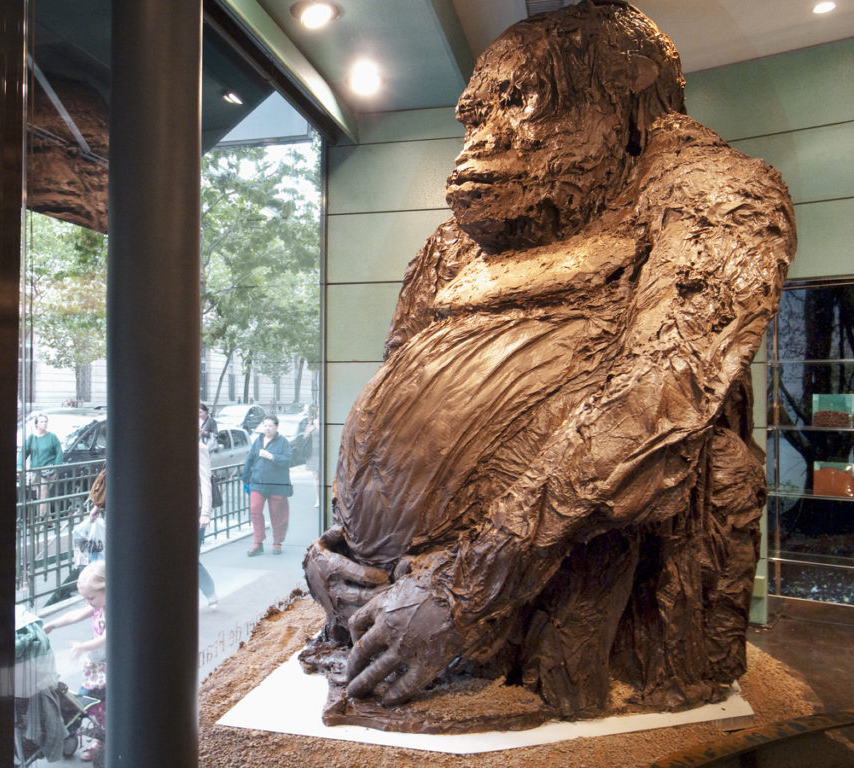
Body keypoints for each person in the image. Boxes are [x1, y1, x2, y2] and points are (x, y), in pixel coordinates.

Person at [303, 0, 796, 719]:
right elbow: (398, 396)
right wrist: (340, 550)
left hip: (568, 568)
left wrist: (465, 585)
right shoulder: (455, 244)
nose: (480, 140)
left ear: (620, 96)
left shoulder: (709, 189)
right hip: (407, 580)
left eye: (520, 103)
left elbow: (661, 394)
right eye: (473, 117)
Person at [43, 561, 106, 762]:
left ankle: (101, 740)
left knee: (92, 703)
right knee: (91, 703)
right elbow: (76, 614)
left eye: (91, 597)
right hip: (97, 667)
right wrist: (53, 624)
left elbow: (109, 636)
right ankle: (98, 736)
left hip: (107, 669)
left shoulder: (115, 608)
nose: (88, 602)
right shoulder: (100, 605)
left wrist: (83, 646)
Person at [241, 416, 293, 556]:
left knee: (277, 514)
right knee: (255, 510)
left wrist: (271, 456)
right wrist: (245, 478)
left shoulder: (283, 442)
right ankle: (258, 543)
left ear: (276, 427)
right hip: (257, 483)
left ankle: (277, 542)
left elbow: (288, 460)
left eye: (270, 426)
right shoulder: (258, 441)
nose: (267, 428)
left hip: (276, 484)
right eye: (265, 426)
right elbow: (250, 459)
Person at [23, 415, 63, 516]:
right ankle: (48, 519)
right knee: (41, 495)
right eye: (41, 422)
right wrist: (20, 465)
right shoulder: (32, 437)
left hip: (48, 471)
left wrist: (56, 467)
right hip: (36, 471)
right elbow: (24, 453)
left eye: (46, 421)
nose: (44, 423)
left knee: (42, 493)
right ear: (36, 424)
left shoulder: (52, 437)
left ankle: (40, 522)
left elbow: (59, 452)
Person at [198, 440, 218, 609]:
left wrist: (205, 512)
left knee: (189, 557)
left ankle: (209, 591)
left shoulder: (199, 448)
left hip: (195, 510)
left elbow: (206, 481)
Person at [303, 407, 320, 510]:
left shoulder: (328, 421)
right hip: (313, 453)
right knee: (316, 476)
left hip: (324, 451)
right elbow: (304, 437)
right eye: (319, 410)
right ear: (316, 412)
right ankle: (318, 498)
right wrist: (309, 430)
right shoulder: (312, 423)